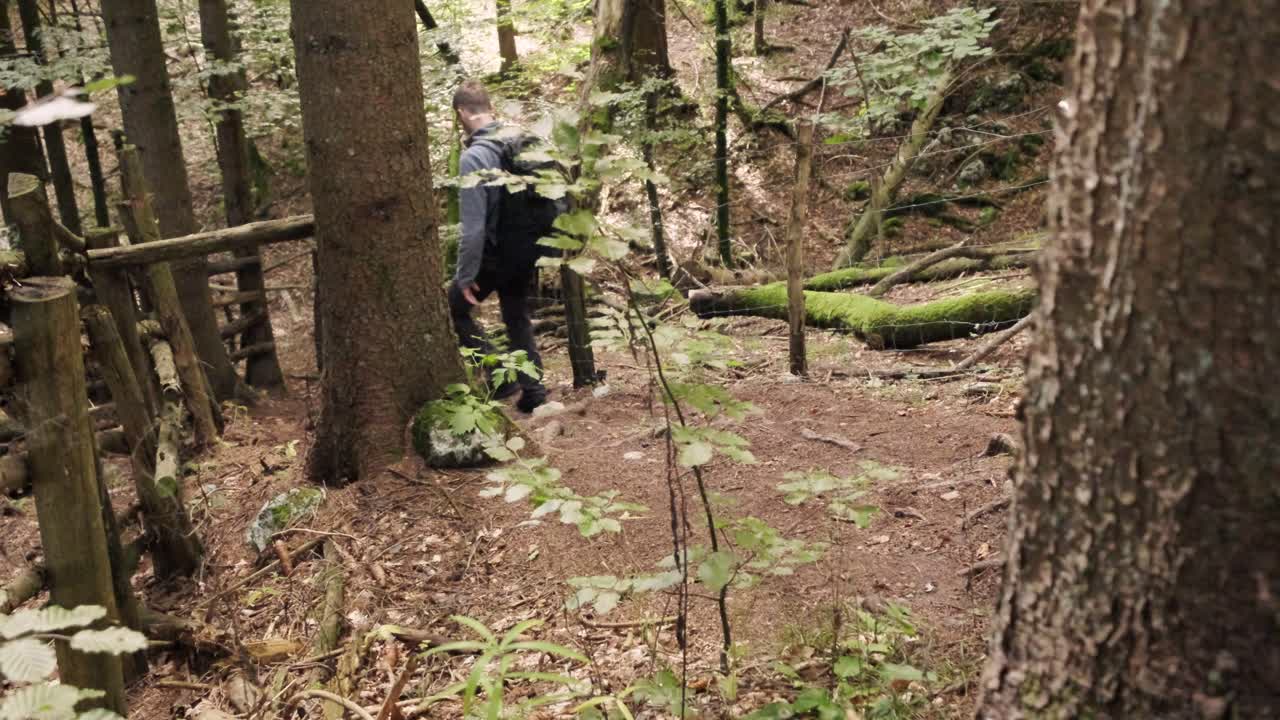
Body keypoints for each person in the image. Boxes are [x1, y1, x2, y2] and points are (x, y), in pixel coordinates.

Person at [449, 80, 548, 413]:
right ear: (489, 108)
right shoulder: (518, 139)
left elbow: (474, 227)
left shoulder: (474, 157)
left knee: (452, 309)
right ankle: (534, 391)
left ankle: (500, 376)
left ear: (462, 113)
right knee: (516, 316)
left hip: (495, 254)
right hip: (526, 248)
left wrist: (465, 276)